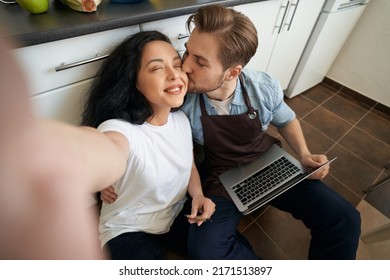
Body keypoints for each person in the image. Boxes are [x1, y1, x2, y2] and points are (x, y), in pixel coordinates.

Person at [101, 4, 361, 260]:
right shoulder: (182, 101)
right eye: (187, 53)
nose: (186, 68)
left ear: (232, 72)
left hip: (269, 164)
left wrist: (304, 154)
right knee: (205, 250)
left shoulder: (263, 86)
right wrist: (111, 173)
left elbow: (286, 119)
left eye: (200, 62)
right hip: (222, 177)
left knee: (344, 218)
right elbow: (138, 136)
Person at [81, 30, 215, 260]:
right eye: (157, 68)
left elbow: (188, 165)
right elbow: (108, 150)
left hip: (175, 214)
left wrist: (199, 195)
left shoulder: (181, 120)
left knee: (227, 249)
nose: (174, 75)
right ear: (135, 82)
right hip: (128, 228)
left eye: (176, 64)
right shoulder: (119, 128)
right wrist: (101, 174)